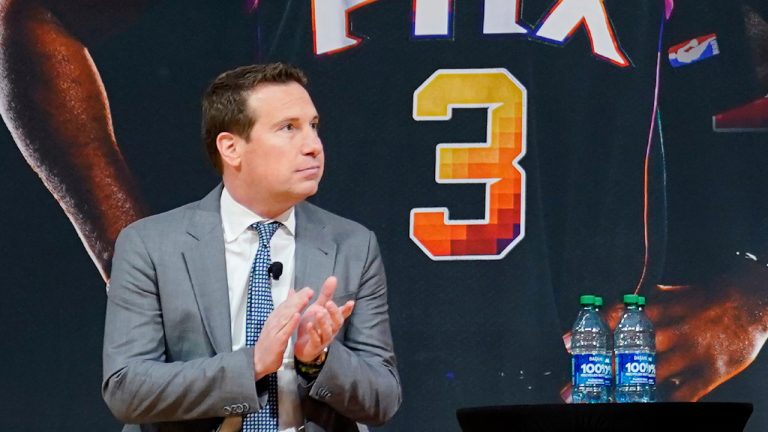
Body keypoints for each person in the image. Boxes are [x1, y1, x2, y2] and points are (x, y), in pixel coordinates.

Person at [101, 63, 402, 431]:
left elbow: (384, 399)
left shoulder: (353, 244)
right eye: (288, 128)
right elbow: (126, 388)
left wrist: (318, 359)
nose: (313, 146)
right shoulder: (150, 245)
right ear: (231, 148)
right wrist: (253, 365)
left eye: (313, 126)